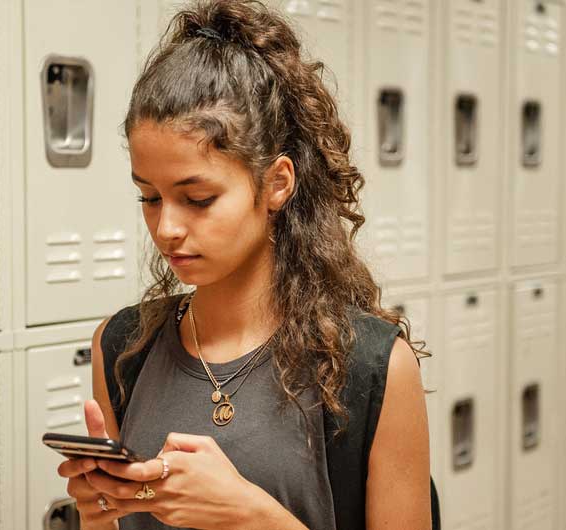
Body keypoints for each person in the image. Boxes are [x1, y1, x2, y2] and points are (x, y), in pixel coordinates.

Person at [57, 1, 432, 528]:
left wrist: (252, 516)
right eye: (150, 197)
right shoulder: (122, 348)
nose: (166, 228)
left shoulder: (369, 368)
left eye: (198, 198)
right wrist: (98, 514)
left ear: (276, 182)